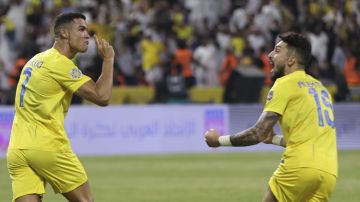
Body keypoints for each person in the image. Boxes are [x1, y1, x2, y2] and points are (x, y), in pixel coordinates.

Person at [205, 32, 337, 202]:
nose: (270, 55)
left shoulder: (285, 83)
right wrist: (274, 139)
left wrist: (218, 141)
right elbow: (305, 137)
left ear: (291, 60)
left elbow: (257, 133)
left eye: (277, 50)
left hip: (299, 167)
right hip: (328, 172)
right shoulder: (321, 89)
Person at [7, 12, 114, 202]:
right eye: (81, 29)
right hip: (47, 145)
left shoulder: (36, 60)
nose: (87, 35)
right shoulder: (59, 64)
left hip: (17, 148)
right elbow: (102, 96)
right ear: (64, 33)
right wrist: (108, 60)